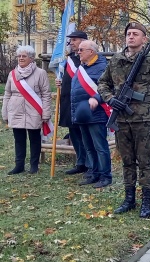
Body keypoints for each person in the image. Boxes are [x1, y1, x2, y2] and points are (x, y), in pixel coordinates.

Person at [97, 22, 150, 218]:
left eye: (135, 34)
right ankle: (129, 199)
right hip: (121, 119)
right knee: (127, 161)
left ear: (144, 39)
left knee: (145, 162)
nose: (131, 37)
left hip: (144, 120)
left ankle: (146, 201)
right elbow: (103, 83)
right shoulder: (116, 60)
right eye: (128, 34)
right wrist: (110, 99)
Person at [2, 45, 51, 174]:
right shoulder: (12, 74)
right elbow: (7, 93)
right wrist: (5, 112)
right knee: (19, 139)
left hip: (34, 110)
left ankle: (34, 165)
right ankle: (19, 165)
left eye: (24, 56)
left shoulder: (41, 73)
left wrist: (46, 113)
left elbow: (46, 94)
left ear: (31, 58)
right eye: (19, 56)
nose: (21, 58)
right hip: (16, 110)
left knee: (34, 138)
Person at [71, 40, 112, 188]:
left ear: (91, 52)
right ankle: (93, 173)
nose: (78, 52)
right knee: (88, 146)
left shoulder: (103, 67)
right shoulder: (81, 67)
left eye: (82, 50)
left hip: (97, 113)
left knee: (100, 147)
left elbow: (109, 88)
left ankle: (105, 175)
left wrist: (97, 99)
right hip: (82, 114)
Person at [55, 31, 89, 175]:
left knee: (85, 135)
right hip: (68, 102)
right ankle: (80, 162)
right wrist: (60, 82)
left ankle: (90, 164)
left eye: (74, 40)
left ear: (83, 41)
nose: (71, 43)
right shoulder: (68, 59)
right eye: (71, 40)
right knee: (74, 134)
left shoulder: (89, 58)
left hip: (83, 103)